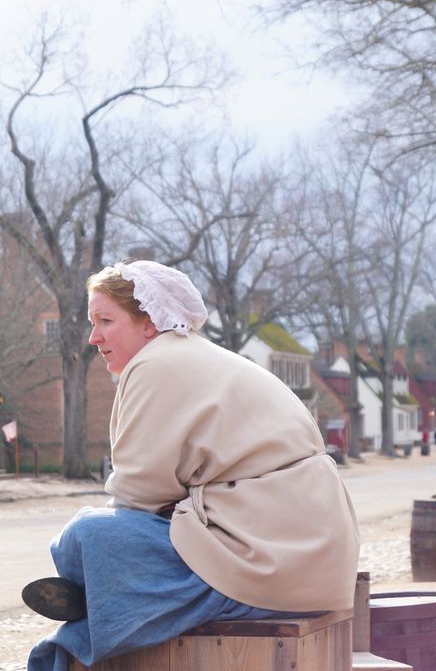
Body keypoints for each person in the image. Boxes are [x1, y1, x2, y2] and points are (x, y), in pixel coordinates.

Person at [23, 260, 360, 671]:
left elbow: (136, 494)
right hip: (307, 551)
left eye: (105, 321)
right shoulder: (193, 356)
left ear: (149, 322)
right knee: (98, 541)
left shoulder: (155, 364)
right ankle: (98, 604)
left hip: (271, 555)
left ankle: (90, 603)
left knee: (86, 535)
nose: (94, 337)